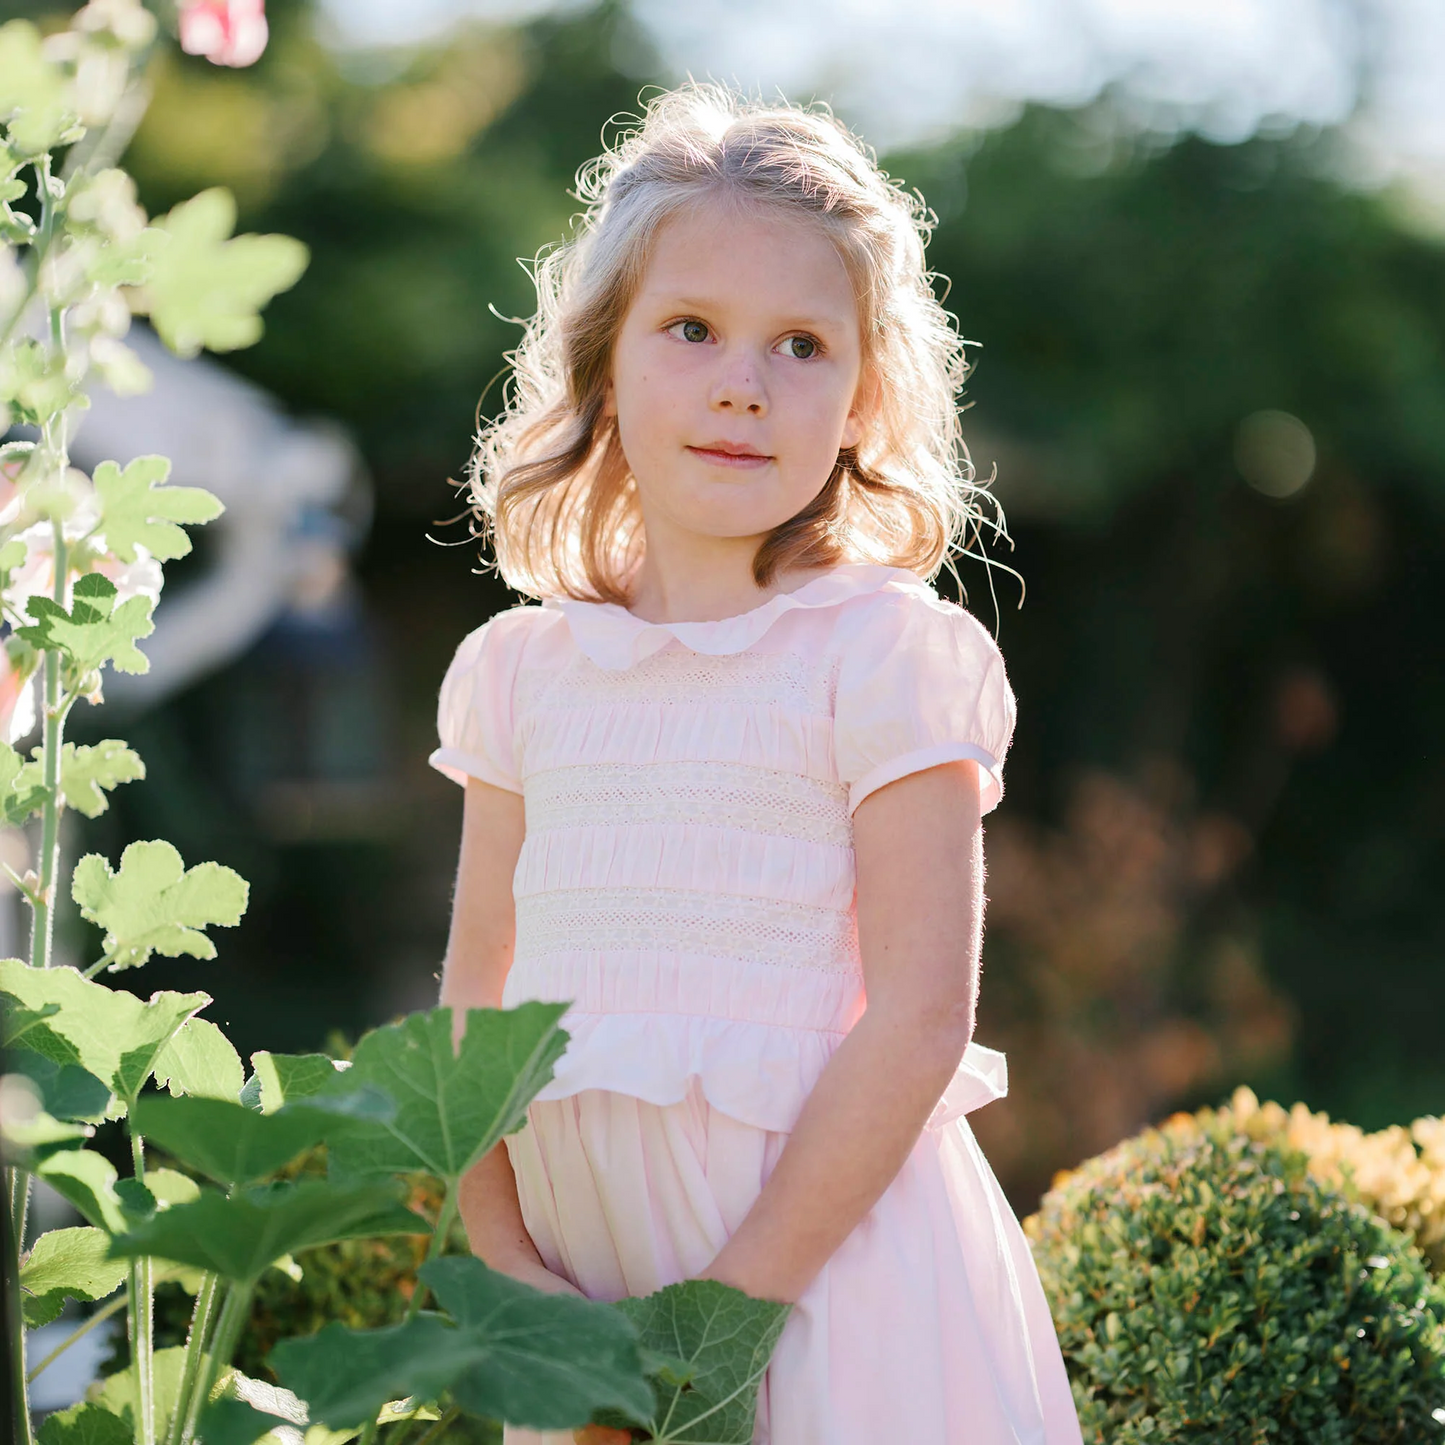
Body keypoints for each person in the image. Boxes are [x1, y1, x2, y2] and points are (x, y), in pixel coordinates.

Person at [431, 84, 1083, 1445]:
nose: (745, 383)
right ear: (605, 364)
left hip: (830, 1299)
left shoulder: (883, 657)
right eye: (692, 330)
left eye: (801, 344)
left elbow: (920, 1017)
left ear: (862, 399)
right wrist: (511, 1280)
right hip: (589, 1321)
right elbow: (470, 1010)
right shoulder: (521, 674)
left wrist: (723, 1324)